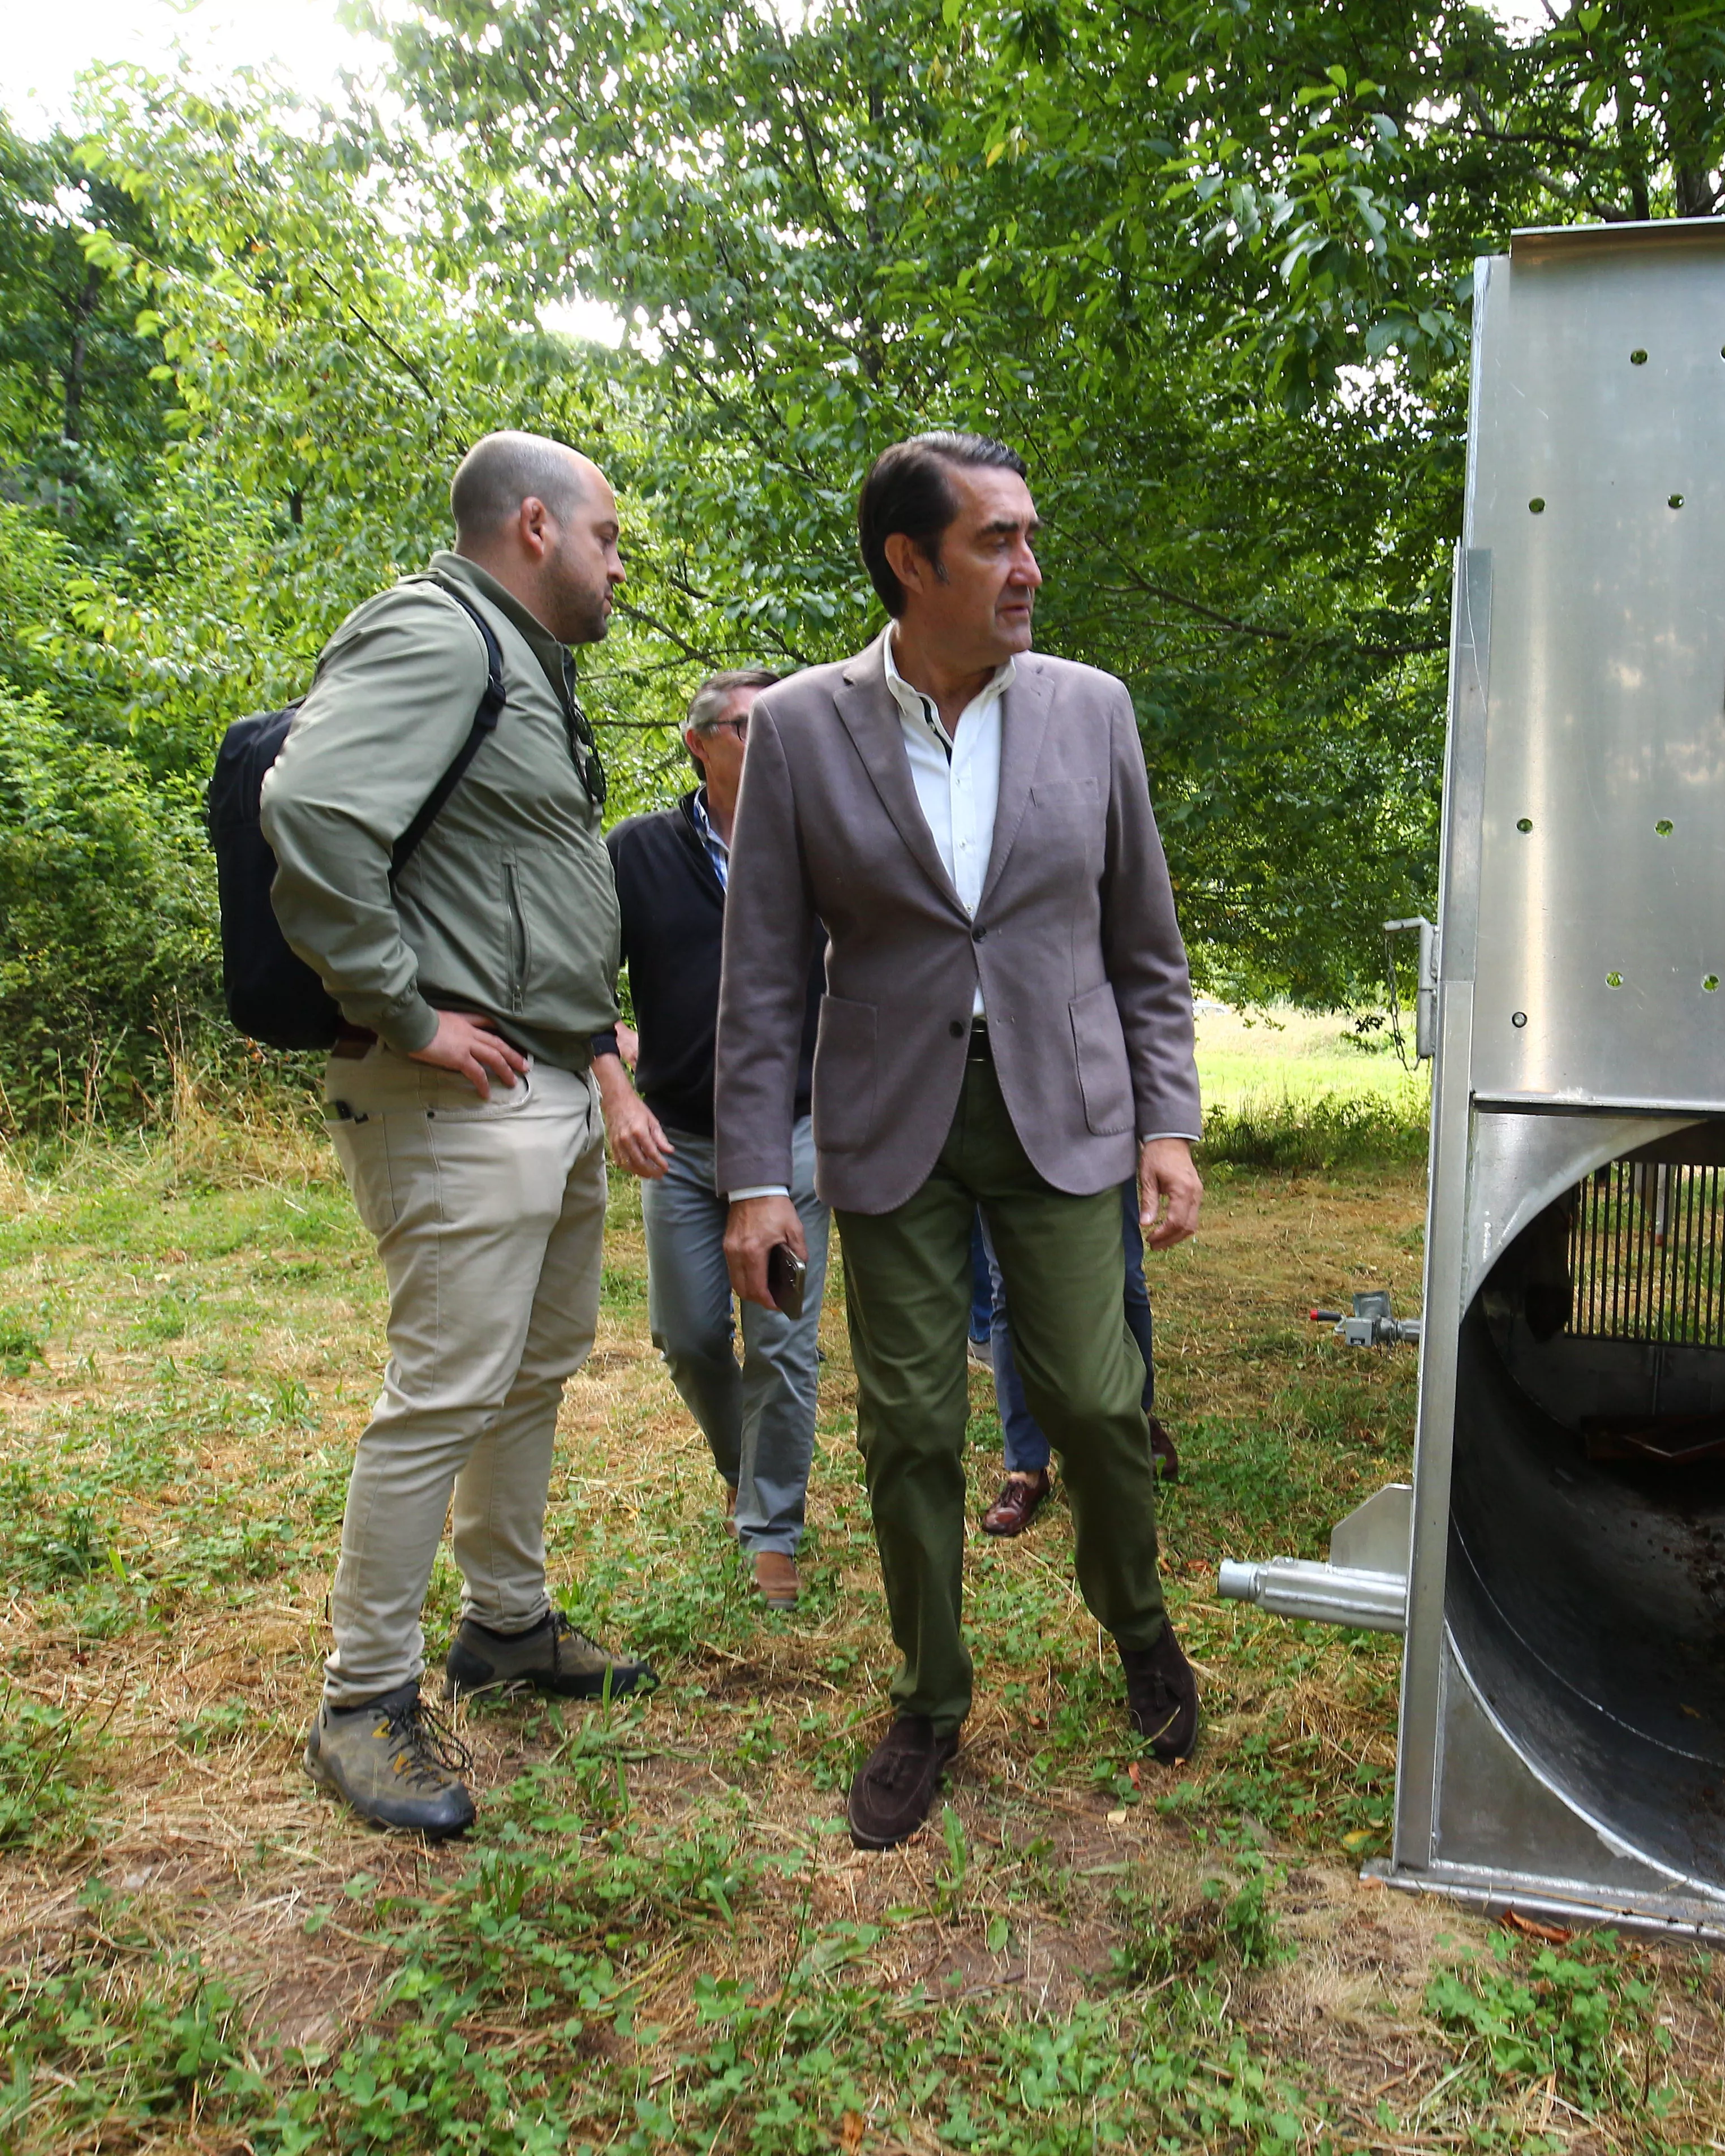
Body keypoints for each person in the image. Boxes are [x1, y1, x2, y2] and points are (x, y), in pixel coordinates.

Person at [715, 430, 1205, 1852]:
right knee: (912, 1427)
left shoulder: (1090, 709)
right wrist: (754, 1178)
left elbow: (1145, 946)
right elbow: (761, 977)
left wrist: (1167, 1123)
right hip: (890, 1121)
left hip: (1064, 1107)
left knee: (1098, 1407)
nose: (1029, 566)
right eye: (997, 541)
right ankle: (929, 1697)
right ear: (909, 561)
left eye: (1029, 536)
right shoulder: (798, 727)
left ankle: (1139, 1625)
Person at [263, 430, 656, 1841]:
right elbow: (310, 811)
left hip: (545, 1082)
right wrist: (409, 1011)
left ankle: (507, 1624)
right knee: (443, 1391)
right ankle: (364, 1698)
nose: (620, 566)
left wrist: (596, 1046)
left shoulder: (524, 665)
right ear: (535, 526)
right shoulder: (440, 634)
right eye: (608, 537)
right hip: (454, 1092)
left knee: (532, 1369)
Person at [592, 669, 829, 1610]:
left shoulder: (819, 844)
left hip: (795, 1136)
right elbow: (578, 976)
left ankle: (771, 1528)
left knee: (782, 1338)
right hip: (681, 1143)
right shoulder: (638, 851)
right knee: (688, 1335)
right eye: (747, 727)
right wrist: (617, 1089)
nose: (772, 743)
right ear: (698, 743)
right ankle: (744, 1467)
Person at [976, 1188, 1176, 1537]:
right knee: (1009, 1291)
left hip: (1099, 1158)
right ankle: (1026, 1469)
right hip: (1002, 1160)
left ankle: (1137, 1422)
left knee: (1125, 1276)